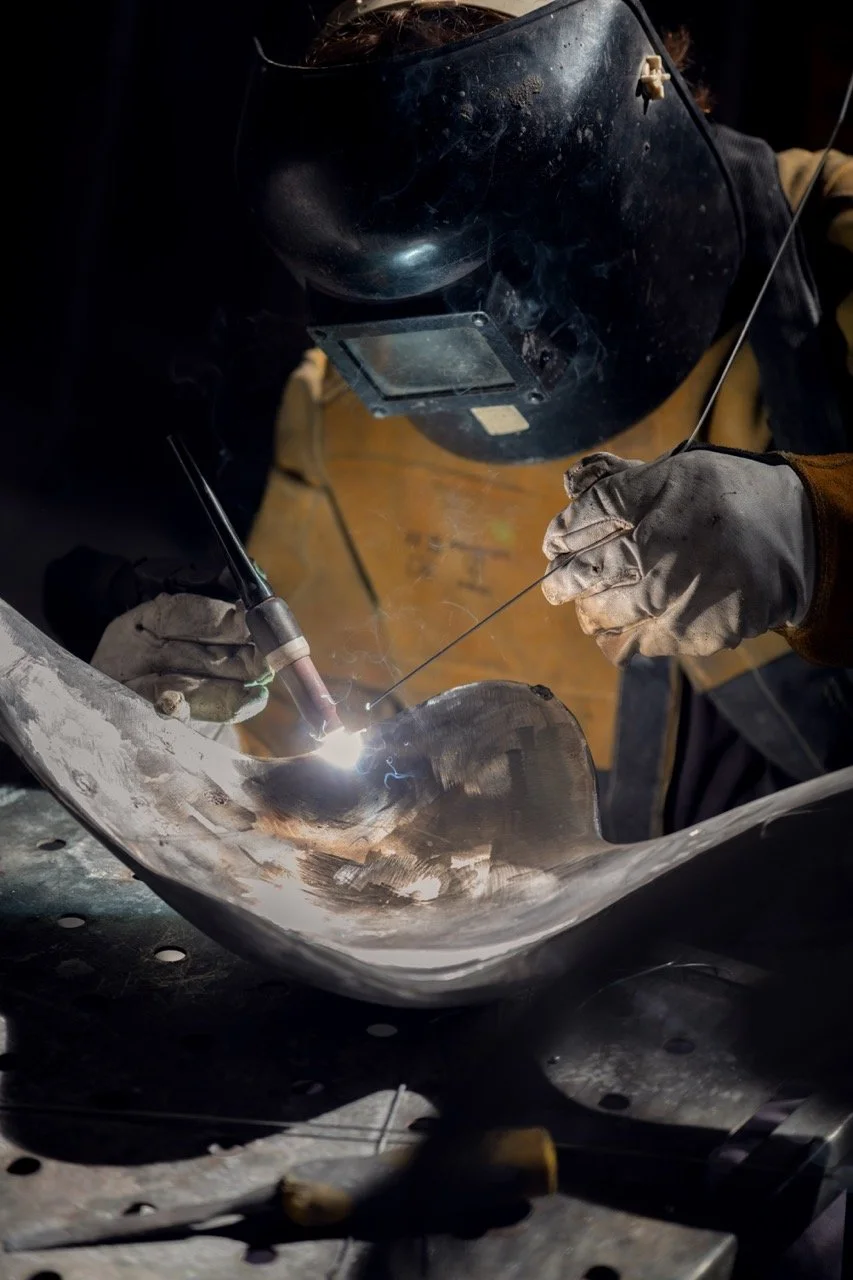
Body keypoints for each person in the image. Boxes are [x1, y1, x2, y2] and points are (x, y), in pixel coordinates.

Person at [91, 0, 853, 839]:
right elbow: (305, 727)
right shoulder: (346, 400)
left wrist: (811, 531)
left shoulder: (829, 251)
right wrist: (182, 738)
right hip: (508, 946)